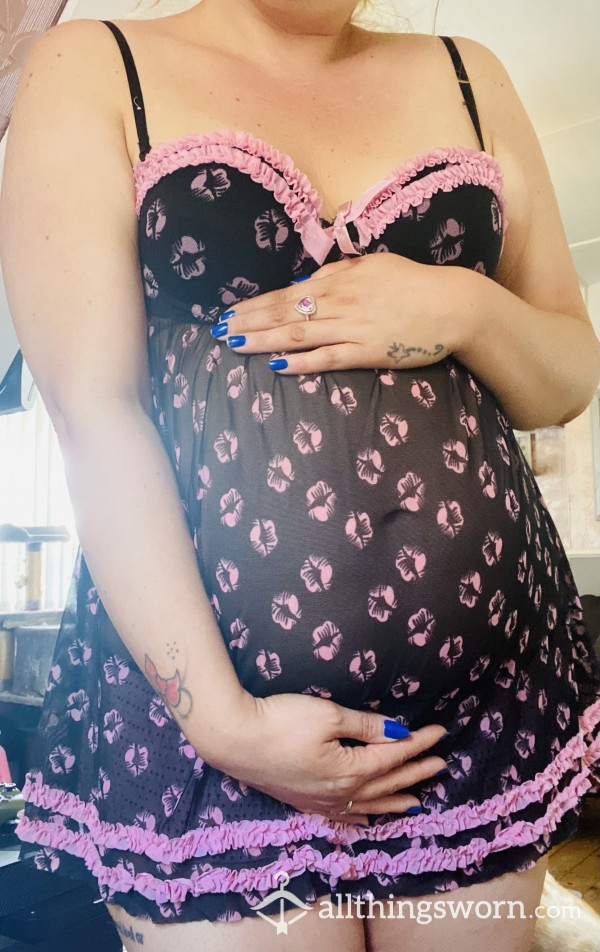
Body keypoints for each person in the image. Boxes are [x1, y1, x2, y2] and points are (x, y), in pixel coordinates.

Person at [1, 1, 599, 950]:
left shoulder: (468, 72)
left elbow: (566, 375)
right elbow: (93, 417)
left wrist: (462, 306)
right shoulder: (94, 64)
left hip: (475, 717)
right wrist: (226, 726)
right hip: (215, 732)